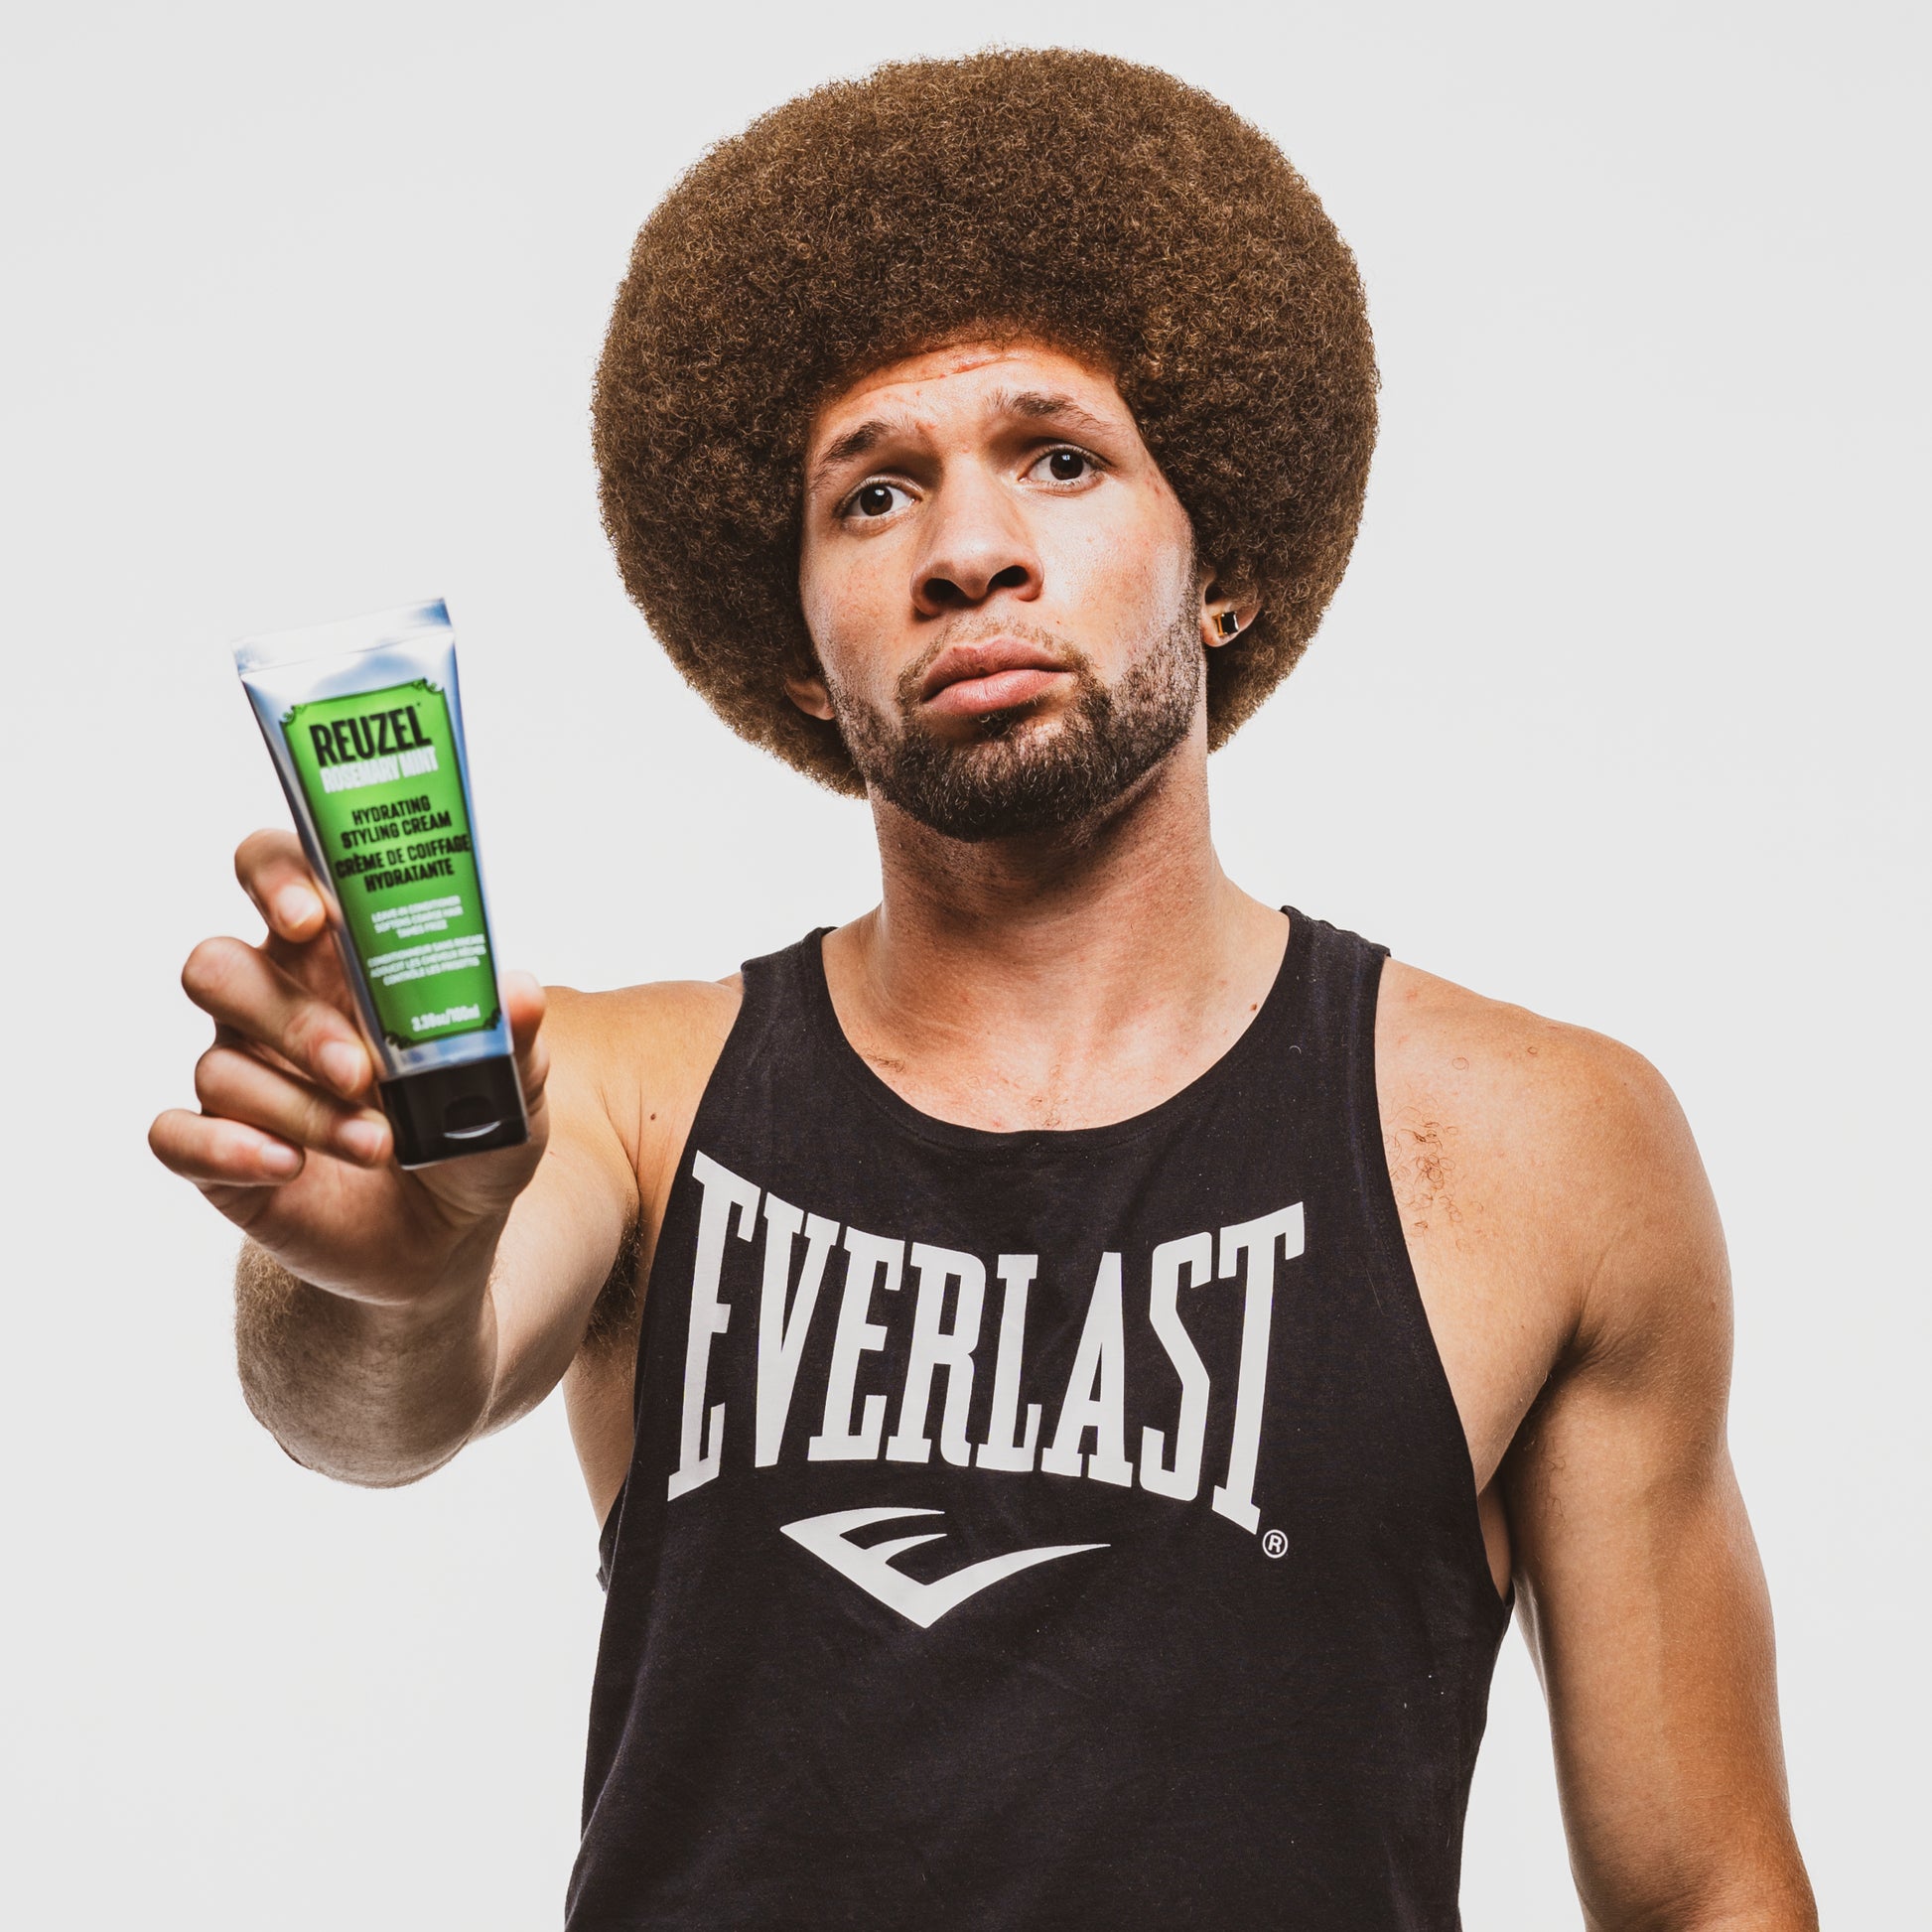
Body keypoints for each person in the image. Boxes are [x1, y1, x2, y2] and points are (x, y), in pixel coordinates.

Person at [150, 50, 1817, 1930]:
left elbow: (1704, 1890)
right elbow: (374, 1407)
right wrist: (397, 1268)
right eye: (872, 495)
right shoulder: (625, 1094)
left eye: (1059, 457)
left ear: (1220, 567)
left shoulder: (1535, 1143)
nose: (965, 551)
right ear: (799, 650)